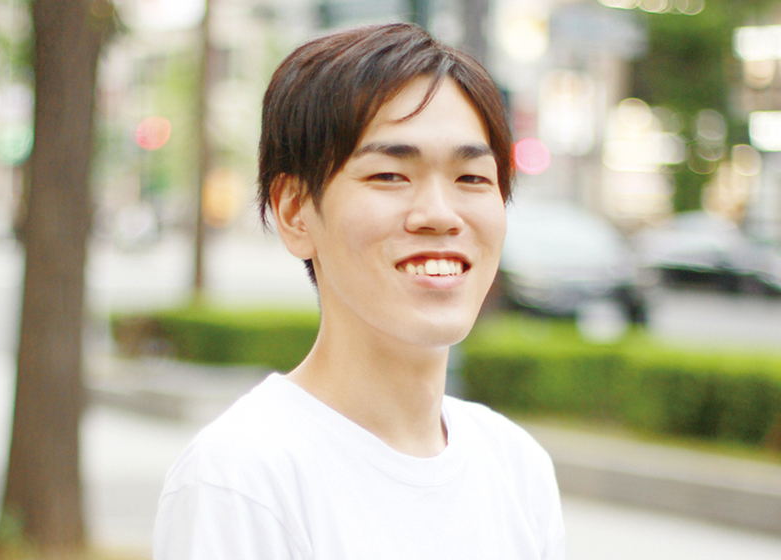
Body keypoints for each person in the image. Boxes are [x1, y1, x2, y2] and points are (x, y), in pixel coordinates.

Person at [154, 22, 564, 559]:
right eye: (390, 175)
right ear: (295, 211)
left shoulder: (517, 467)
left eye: (472, 178)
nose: (440, 214)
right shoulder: (242, 479)